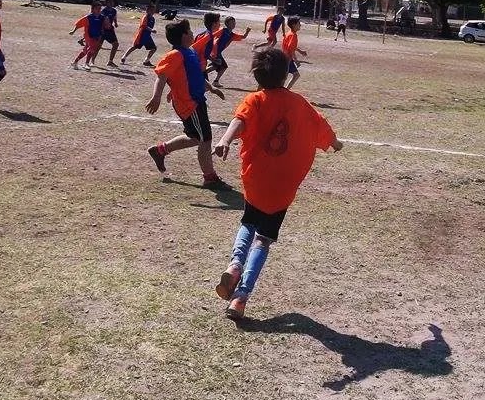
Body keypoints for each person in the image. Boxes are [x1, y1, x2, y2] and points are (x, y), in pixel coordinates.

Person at [213, 47, 342, 319]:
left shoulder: (255, 100)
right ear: (285, 75)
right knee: (263, 240)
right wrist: (335, 142)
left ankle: (235, 265)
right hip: (283, 186)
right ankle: (240, 298)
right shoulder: (300, 104)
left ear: (256, 76)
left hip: (257, 178)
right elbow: (322, 127)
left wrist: (225, 139)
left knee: (248, 222)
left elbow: (239, 121)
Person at [144, 19, 227, 188]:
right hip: (189, 104)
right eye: (189, 31)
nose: (192, 33)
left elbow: (194, 75)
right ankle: (210, 178)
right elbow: (162, 76)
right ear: (183, 36)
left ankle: (160, 150)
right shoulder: (175, 55)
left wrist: (211, 88)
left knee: (196, 137)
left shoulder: (189, 52)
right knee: (205, 140)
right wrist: (156, 97)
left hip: (196, 101)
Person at [206, 16, 251, 87]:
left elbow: (243, 37)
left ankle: (212, 79)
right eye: (231, 22)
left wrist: (247, 31)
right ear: (227, 24)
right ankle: (204, 75)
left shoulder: (232, 35)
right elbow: (212, 35)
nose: (233, 24)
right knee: (221, 66)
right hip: (215, 52)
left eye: (234, 22)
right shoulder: (222, 30)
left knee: (219, 66)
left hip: (218, 53)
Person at [69, 0, 109, 70]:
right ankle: (86, 64)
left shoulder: (102, 17)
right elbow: (79, 24)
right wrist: (73, 31)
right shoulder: (88, 17)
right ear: (93, 9)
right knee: (92, 49)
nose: (99, 10)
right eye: (97, 8)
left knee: (86, 50)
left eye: (100, 8)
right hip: (89, 35)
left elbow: (106, 26)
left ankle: (75, 62)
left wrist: (107, 22)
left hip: (97, 36)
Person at [282, 16, 307, 90]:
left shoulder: (289, 33)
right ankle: (283, 91)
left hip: (285, 57)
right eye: (299, 23)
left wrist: (300, 51)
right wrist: (296, 61)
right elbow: (291, 49)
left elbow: (291, 46)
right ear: (294, 25)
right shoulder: (293, 35)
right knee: (289, 76)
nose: (300, 25)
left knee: (288, 76)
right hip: (287, 59)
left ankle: (284, 91)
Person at [100, 0, 120, 67]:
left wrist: (115, 23)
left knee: (116, 44)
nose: (112, 3)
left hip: (110, 30)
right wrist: (101, 29)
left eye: (112, 2)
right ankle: (91, 61)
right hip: (103, 30)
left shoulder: (114, 10)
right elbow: (101, 20)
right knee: (98, 46)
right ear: (106, 3)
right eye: (110, 2)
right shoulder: (103, 10)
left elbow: (114, 17)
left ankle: (110, 61)